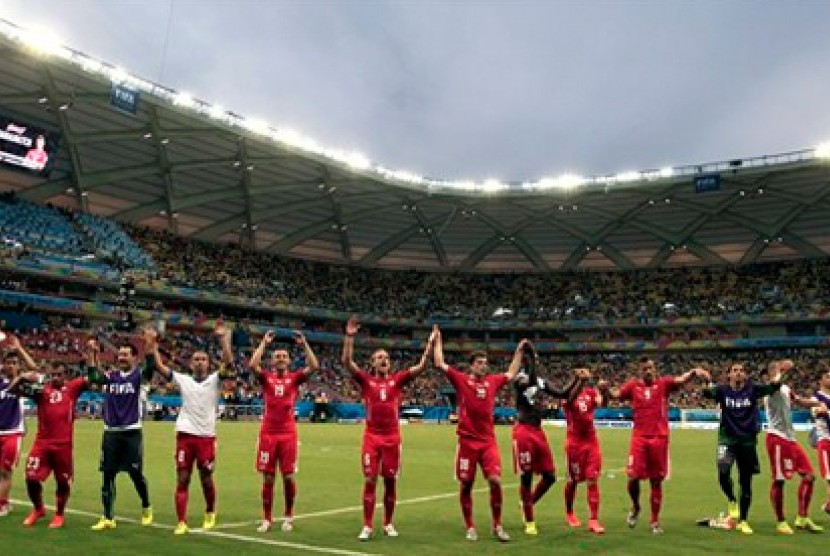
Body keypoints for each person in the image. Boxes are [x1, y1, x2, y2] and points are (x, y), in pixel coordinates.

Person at [340, 317, 434, 541]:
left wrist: (430, 344)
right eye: (379, 357)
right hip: (372, 438)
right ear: (372, 364)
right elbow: (346, 361)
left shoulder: (398, 380)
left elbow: (421, 367)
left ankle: (388, 523)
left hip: (392, 439)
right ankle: (368, 525)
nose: (384, 360)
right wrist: (349, 337)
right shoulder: (365, 380)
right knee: (371, 479)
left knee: (390, 481)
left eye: (386, 357)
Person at [599, 356, 706, 534]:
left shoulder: (663, 384)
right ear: (639, 371)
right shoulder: (633, 386)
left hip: (659, 438)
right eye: (644, 369)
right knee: (633, 477)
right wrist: (605, 390)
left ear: (654, 369)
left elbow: (680, 380)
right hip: (639, 438)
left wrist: (694, 372)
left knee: (656, 481)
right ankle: (636, 507)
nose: (648, 371)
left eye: (650, 368)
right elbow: (615, 396)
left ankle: (654, 520)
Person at [432, 324, 519, 542]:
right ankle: (470, 525)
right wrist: (438, 340)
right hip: (467, 442)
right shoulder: (462, 380)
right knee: (467, 485)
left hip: (488, 442)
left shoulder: (493, 382)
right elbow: (439, 363)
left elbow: (510, 372)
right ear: (471, 366)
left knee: (495, 481)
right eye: (479, 363)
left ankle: (497, 525)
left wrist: (519, 352)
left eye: (485, 363)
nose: (483, 366)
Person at [147, 321, 233, 535]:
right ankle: (181, 521)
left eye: (203, 359)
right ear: (191, 363)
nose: (200, 362)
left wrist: (223, 339)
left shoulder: (214, 379)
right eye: (196, 359)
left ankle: (210, 511)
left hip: (206, 437)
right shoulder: (183, 379)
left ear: (209, 363)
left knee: (206, 477)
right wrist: (152, 346)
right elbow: (160, 368)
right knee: (183, 478)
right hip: (185, 436)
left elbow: (228, 362)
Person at [700, 360, 786, 535]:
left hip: (747, 442)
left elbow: (774, 386)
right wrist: (706, 380)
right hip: (727, 439)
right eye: (735, 370)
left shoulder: (753, 390)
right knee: (723, 472)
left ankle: (743, 520)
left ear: (745, 375)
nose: (738, 373)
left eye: (741, 370)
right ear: (729, 374)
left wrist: (779, 371)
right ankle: (732, 500)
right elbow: (707, 393)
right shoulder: (723, 391)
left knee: (745, 482)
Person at [248, 329, 320, 533]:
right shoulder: (266, 378)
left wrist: (304, 344)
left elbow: (314, 366)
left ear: (289, 361)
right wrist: (264, 342)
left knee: (288, 477)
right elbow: (252, 365)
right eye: (277, 356)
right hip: (268, 434)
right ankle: (267, 519)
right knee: (268, 478)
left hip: (288, 434)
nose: (280, 359)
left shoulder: (295, 378)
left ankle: (288, 516)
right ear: (272, 362)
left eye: (284, 356)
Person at [511, 340, 585, 536]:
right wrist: (532, 357)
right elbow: (531, 380)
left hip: (537, 432)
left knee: (550, 476)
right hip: (523, 431)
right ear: (524, 362)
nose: (534, 362)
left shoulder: (540, 381)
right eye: (530, 359)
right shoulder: (519, 379)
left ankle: (526, 504)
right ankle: (529, 520)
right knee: (526, 478)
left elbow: (562, 393)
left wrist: (576, 379)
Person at [84, 335, 155, 531]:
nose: (121, 357)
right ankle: (108, 517)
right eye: (120, 354)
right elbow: (93, 377)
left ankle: (146, 505)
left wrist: (150, 345)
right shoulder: (111, 377)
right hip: (111, 432)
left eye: (126, 355)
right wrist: (92, 354)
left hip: (131, 432)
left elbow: (151, 368)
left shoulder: (138, 377)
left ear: (134, 358)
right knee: (107, 475)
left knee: (135, 473)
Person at [12, 361, 87, 528]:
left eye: (59, 375)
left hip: (64, 445)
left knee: (63, 482)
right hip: (42, 443)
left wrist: (92, 356)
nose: (56, 378)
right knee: (31, 477)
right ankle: (38, 509)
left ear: (65, 375)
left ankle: (59, 514)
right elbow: (14, 392)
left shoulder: (72, 388)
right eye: (53, 375)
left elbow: (95, 378)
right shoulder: (41, 390)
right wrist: (22, 378)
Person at [762, 360, 823, 534]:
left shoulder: (786, 389)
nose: (777, 370)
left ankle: (802, 518)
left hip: (790, 439)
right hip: (777, 438)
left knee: (809, 476)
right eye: (773, 368)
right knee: (779, 480)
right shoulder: (769, 389)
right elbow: (775, 382)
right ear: (768, 375)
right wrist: (781, 368)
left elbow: (800, 402)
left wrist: (817, 404)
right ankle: (781, 521)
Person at [562, 366, 605, 534]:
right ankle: (569, 512)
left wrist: (604, 391)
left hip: (591, 441)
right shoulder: (567, 394)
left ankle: (593, 519)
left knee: (592, 479)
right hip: (574, 444)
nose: (583, 374)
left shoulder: (590, 393)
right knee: (573, 481)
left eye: (584, 372)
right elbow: (571, 400)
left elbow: (602, 403)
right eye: (579, 372)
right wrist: (580, 381)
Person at [0, 333, 38, 517]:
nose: (11, 365)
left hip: (12, 433)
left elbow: (34, 368)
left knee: (5, 472)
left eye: (14, 363)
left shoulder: (22, 382)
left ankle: (2, 505)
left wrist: (20, 349)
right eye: (8, 362)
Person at [810, 364, 830, 514]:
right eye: (827, 377)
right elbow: (815, 412)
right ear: (820, 381)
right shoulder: (816, 397)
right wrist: (821, 410)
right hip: (825, 440)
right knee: (829, 477)